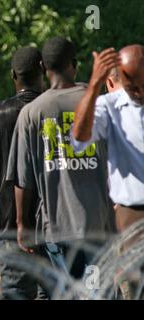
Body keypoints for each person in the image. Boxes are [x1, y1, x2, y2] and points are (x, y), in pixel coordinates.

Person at [9, 37, 115, 290]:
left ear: (43, 68)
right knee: (99, 293)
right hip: (98, 225)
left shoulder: (32, 112)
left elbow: (23, 179)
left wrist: (22, 224)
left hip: (56, 227)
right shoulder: (98, 104)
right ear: (75, 64)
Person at [72, 45, 144, 298]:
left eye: (141, 84)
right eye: (131, 85)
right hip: (131, 214)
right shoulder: (110, 105)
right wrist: (93, 85)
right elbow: (79, 139)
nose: (137, 92)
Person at [0, 47, 44, 299]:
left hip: (10, 225)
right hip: (54, 223)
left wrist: (0, 190)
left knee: (15, 292)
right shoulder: (55, 110)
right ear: (43, 70)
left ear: (13, 75)